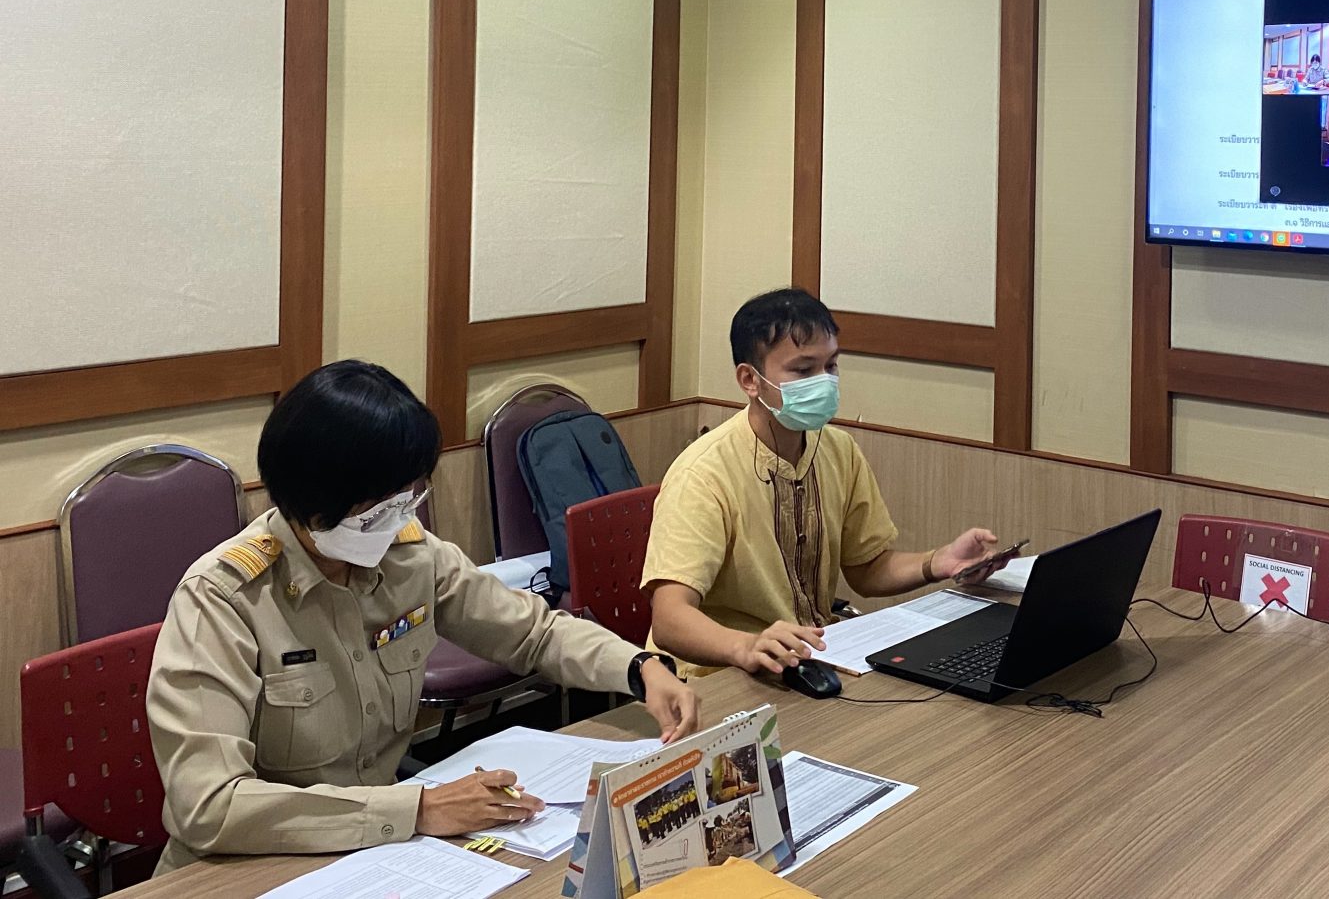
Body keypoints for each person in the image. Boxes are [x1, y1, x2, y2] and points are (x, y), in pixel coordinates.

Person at [147, 361, 700, 874]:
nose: (398, 517)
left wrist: (639, 668)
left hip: (378, 852)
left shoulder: (409, 556)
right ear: (314, 501)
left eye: (407, 497)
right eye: (379, 506)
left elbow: (533, 633)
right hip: (244, 867)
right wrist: (417, 809)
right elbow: (209, 805)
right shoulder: (223, 599)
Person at [644, 288, 1008, 677]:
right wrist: (745, 646)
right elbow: (669, 620)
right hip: (722, 675)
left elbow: (867, 568)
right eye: (803, 371)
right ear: (750, 379)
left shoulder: (838, 449)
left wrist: (939, 561)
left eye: (831, 366)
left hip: (813, 658)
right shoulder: (703, 474)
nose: (824, 382)